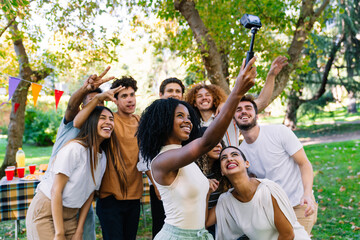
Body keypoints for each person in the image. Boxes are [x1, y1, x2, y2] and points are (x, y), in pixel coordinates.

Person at [137, 57, 257, 239]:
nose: (187, 121)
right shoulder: (163, 160)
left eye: (188, 116)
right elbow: (206, 142)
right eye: (179, 116)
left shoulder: (184, 158)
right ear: (162, 122)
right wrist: (236, 92)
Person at [26, 106, 126, 240]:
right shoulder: (74, 149)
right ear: (91, 122)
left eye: (111, 119)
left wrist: (79, 230)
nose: (108, 122)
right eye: (102, 118)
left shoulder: (102, 157)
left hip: (71, 215)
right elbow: (56, 191)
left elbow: (89, 194)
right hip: (47, 212)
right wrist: (59, 233)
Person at [40, 67, 114, 240]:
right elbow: (71, 105)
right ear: (82, 106)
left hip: (80, 204)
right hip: (54, 198)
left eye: (100, 103)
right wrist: (85, 89)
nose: (96, 107)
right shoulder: (70, 125)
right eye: (92, 102)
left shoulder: (102, 142)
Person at [234, 95, 317, 234]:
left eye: (248, 108)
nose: (243, 111)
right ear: (233, 118)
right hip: (273, 211)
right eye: (238, 109)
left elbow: (304, 164)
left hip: (299, 204)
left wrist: (307, 194)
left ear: (257, 115)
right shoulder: (240, 153)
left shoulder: (279, 131)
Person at [75, 76, 143, 240]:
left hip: (134, 196)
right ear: (115, 100)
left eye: (132, 95)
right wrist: (98, 97)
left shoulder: (140, 121)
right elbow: (78, 122)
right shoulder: (108, 119)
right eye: (124, 96)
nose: (129, 100)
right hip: (110, 197)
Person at [206, 146, 310, 240]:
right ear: (222, 171)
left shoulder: (268, 190)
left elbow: (288, 235)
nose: (229, 159)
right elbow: (205, 222)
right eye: (224, 158)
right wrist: (207, 192)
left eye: (234, 154)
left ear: (247, 164)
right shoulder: (226, 201)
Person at [185, 56, 288, 147]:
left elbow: (262, 102)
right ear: (194, 102)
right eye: (199, 96)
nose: (204, 98)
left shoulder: (229, 114)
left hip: (231, 165)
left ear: (214, 99)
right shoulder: (193, 124)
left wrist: (271, 75)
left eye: (208, 95)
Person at [137, 77, 186, 238]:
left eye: (178, 91)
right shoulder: (152, 119)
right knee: (161, 225)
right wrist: (156, 185)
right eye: (170, 91)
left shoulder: (187, 118)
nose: (174, 94)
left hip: (185, 183)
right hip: (160, 185)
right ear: (161, 94)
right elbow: (144, 158)